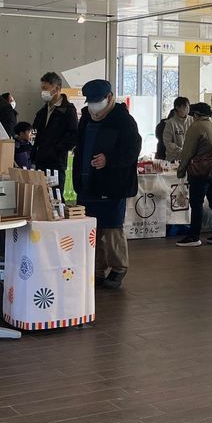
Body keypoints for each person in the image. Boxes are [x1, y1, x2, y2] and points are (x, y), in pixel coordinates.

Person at [73, 80, 140, 288]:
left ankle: (119, 268)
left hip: (112, 185)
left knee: (111, 229)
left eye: (97, 101)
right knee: (92, 229)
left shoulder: (123, 120)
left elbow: (132, 151)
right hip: (87, 182)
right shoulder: (85, 118)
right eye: (90, 101)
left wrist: (108, 159)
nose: (94, 106)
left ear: (110, 97)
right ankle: (97, 269)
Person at [175, 102, 212, 247]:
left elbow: (188, 151)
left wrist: (181, 171)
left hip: (200, 172)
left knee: (196, 203)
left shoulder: (196, 127)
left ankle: (194, 236)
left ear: (196, 115)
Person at [33, 71, 78, 189]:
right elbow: (36, 133)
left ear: (57, 88)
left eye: (45, 88)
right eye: (42, 88)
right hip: (40, 160)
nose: (43, 92)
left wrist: (56, 149)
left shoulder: (68, 110)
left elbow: (74, 135)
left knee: (55, 196)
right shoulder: (42, 111)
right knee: (39, 195)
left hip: (56, 162)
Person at [161, 97, 193, 162]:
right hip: (173, 159)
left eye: (188, 107)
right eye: (185, 107)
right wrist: (181, 151)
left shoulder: (192, 120)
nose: (187, 109)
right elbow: (168, 142)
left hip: (189, 158)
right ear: (177, 107)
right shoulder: (170, 123)